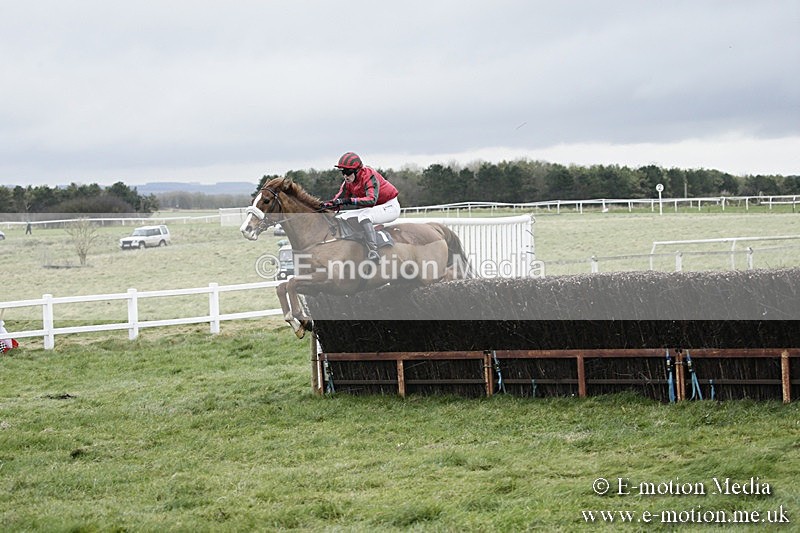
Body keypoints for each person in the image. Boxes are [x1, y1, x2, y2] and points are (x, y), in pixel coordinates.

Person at [323, 152, 400, 261]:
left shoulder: (368, 175)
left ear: (357, 170)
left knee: (364, 216)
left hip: (389, 206)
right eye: (342, 172)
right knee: (342, 217)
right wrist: (324, 206)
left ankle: (374, 251)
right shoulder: (348, 182)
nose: (345, 176)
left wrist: (349, 200)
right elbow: (338, 200)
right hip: (372, 208)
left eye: (347, 172)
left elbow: (371, 200)